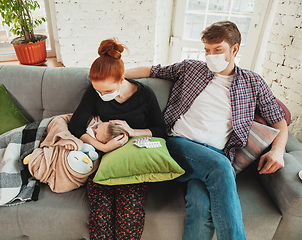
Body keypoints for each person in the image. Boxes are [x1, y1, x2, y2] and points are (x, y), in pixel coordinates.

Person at [124, 21, 288, 240]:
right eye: (207, 50)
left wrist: (277, 151)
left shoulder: (253, 82)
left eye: (218, 50)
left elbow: (279, 121)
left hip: (215, 154)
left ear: (234, 49)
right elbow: (152, 70)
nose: (211, 56)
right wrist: (116, 74)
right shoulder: (192, 68)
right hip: (178, 143)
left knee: (201, 206)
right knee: (221, 168)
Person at [68, 38, 166, 240]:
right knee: (101, 213)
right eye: (98, 91)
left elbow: (160, 130)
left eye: (107, 91)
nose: (102, 95)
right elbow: (75, 126)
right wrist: (101, 147)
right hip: (103, 157)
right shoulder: (93, 94)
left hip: (132, 160)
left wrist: (132, 131)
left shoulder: (145, 95)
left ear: (122, 79)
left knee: (129, 211)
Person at [65, 120, 129, 150]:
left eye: (95, 134)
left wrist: (73, 144)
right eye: (97, 126)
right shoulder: (93, 120)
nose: (92, 129)